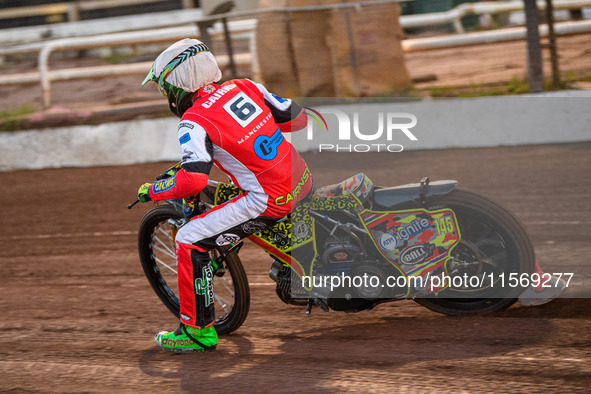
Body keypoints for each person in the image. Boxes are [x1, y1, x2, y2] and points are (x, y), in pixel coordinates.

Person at [138, 38, 312, 353]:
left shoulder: (192, 122)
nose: (167, 97)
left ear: (178, 85)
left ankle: (196, 333)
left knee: (189, 238)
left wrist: (152, 191)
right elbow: (298, 118)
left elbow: (192, 181)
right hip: (301, 178)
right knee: (226, 193)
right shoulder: (245, 87)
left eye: (165, 89)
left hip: (269, 198)